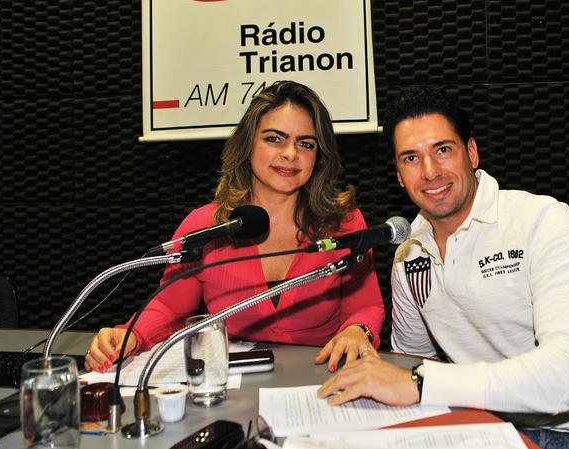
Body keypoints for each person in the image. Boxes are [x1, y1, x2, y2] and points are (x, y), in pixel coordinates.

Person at [317, 87, 569, 449]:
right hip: (492, 428)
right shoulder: (409, 255)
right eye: (411, 158)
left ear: (471, 152)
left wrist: (422, 384)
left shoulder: (543, 222)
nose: (430, 172)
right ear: (399, 175)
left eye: (443, 150)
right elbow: (410, 363)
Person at [85, 81, 383, 375]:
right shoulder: (207, 226)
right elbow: (169, 307)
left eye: (306, 143)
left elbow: (365, 307)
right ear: (248, 144)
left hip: (320, 379)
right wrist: (131, 335)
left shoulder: (343, 222)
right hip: (235, 384)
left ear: (318, 156)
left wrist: (358, 331)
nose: (291, 153)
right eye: (274, 139)